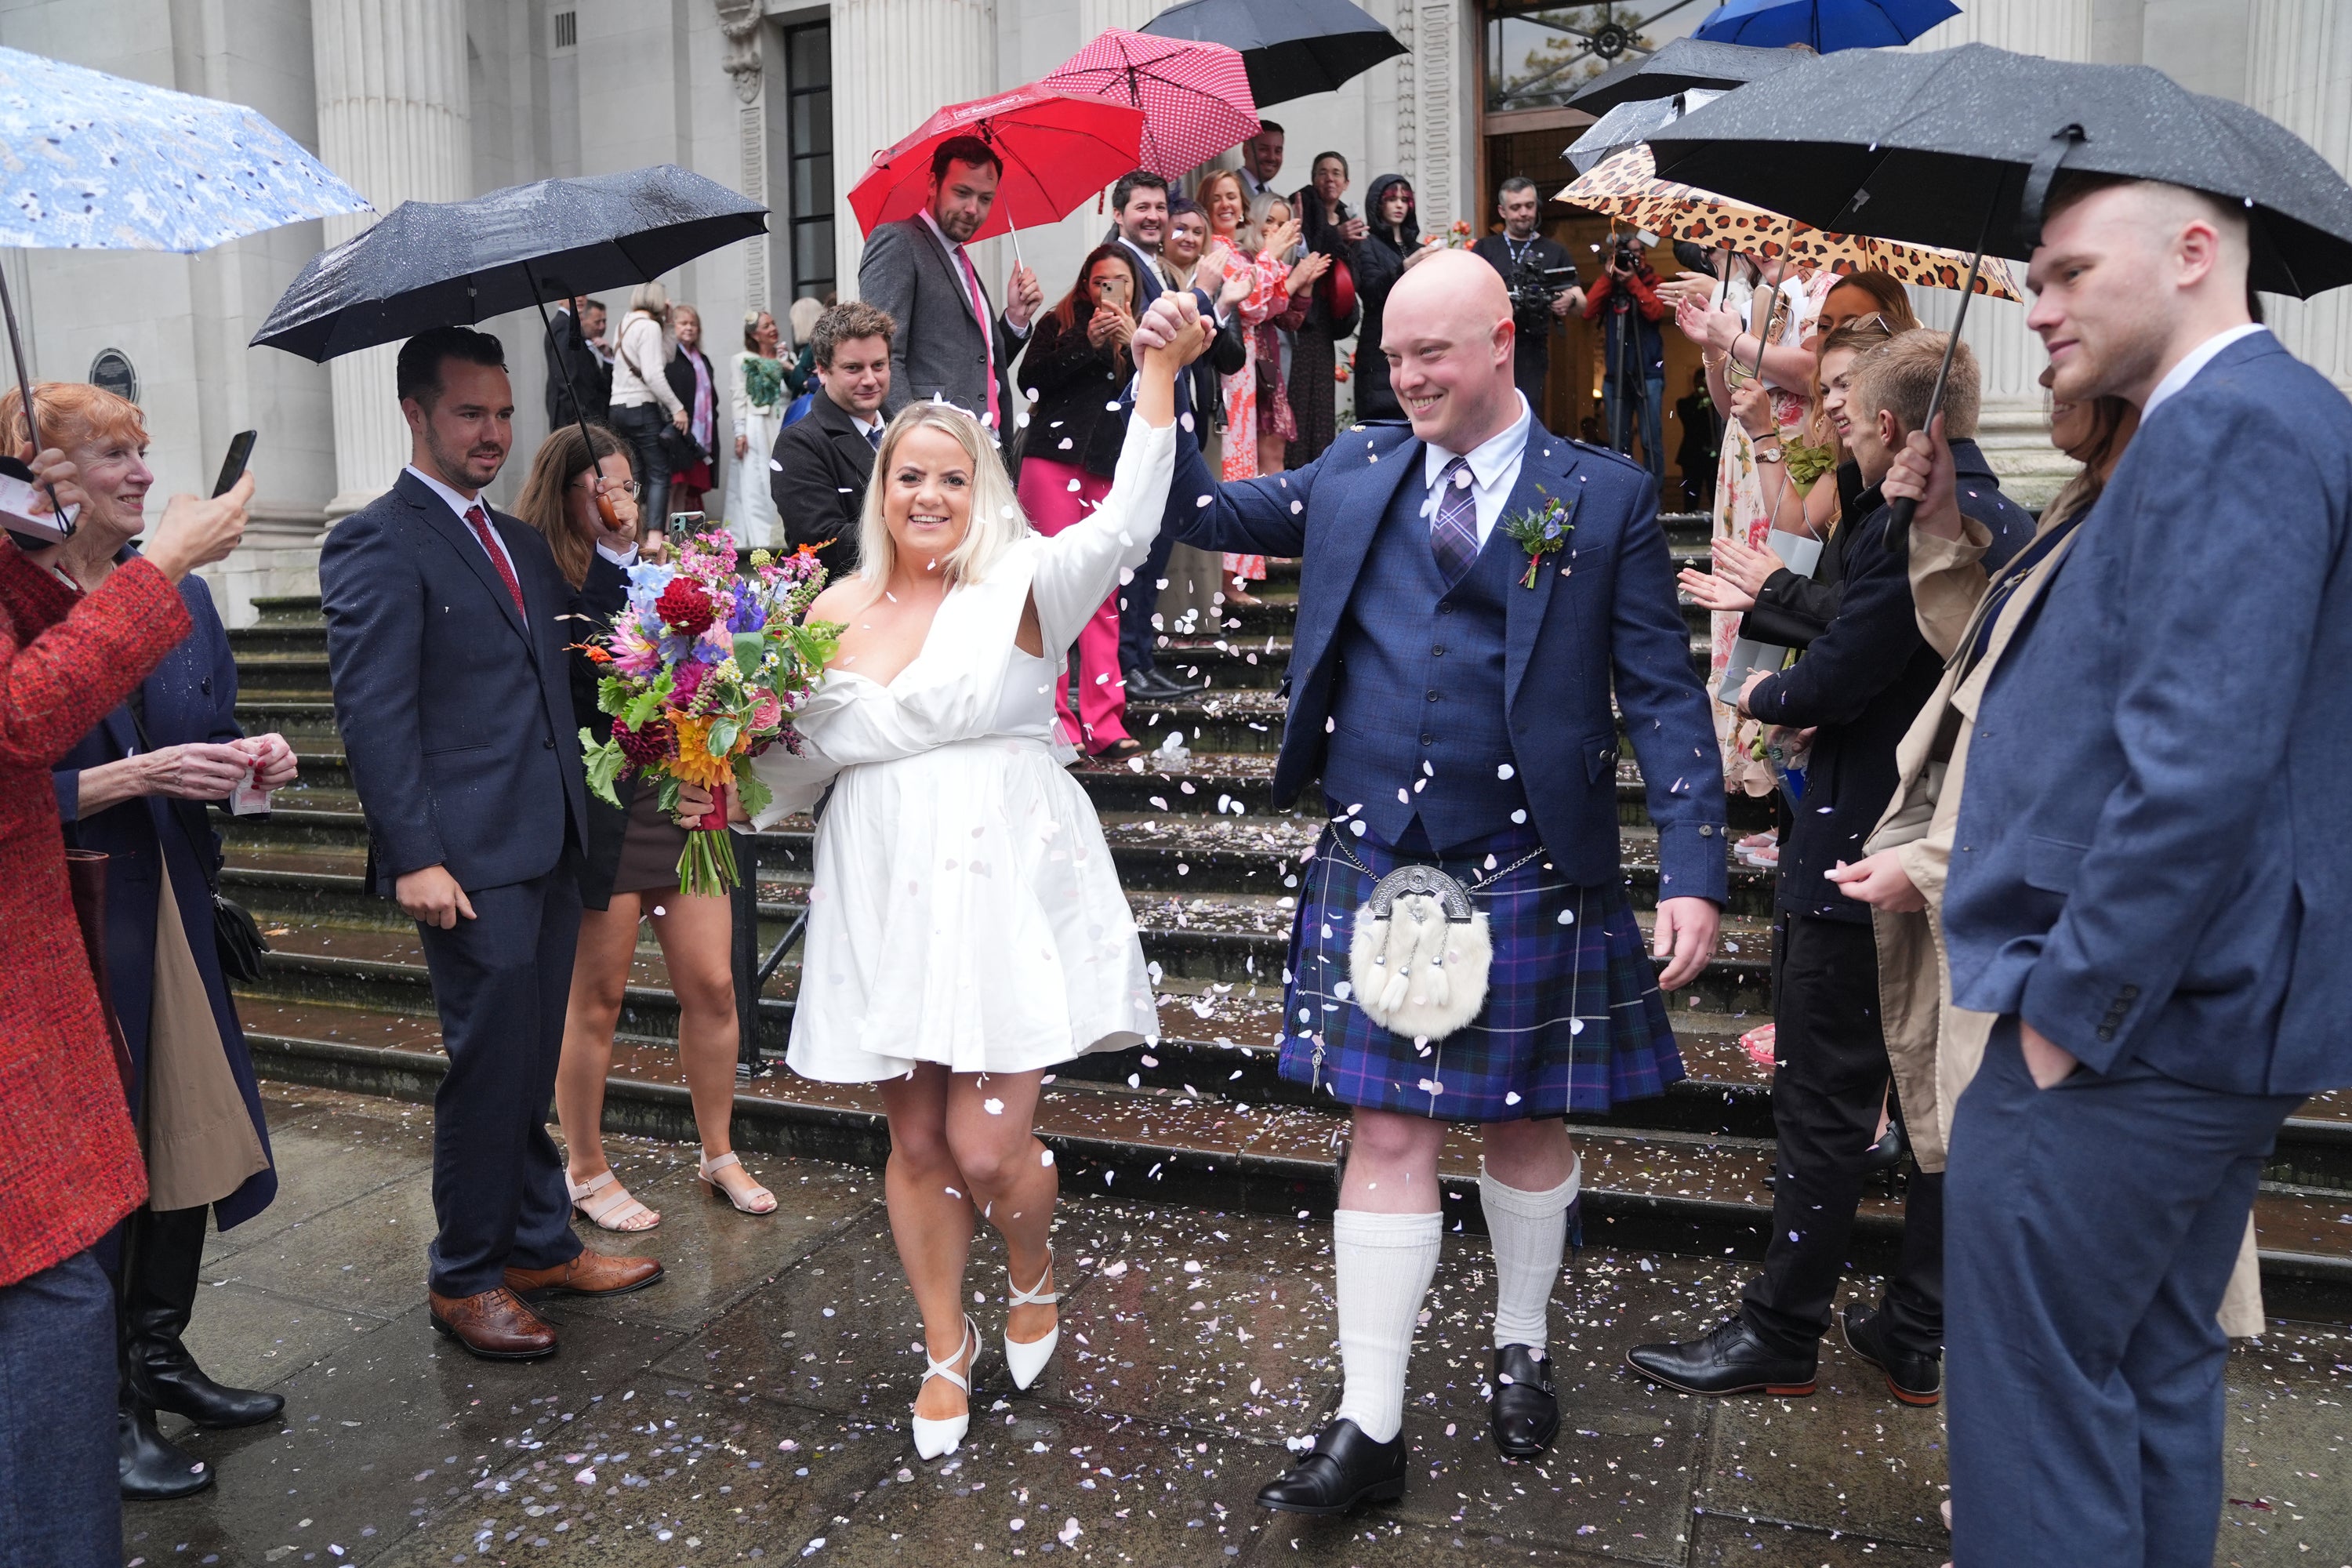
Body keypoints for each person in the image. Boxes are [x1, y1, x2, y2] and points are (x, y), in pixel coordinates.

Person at [1145, 249, 1723, 1514]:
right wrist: (1159, 386)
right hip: (1381, 851)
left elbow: (1665, 694)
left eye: (1430, 355)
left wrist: (1693, 864)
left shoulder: (1602, 495)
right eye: (1392, 357)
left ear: (1501, 341)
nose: (1403, 377)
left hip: (1529, 856)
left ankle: (1521, 1339)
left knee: (1522, 1121)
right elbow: (1199, 512)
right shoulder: (1352, 471)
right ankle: (1370, 1420)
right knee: (1389, 1125)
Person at [1882, 175, 2351, 1568]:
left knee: (2035, 1421)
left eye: (2070, 273)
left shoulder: (2237, 428)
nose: (2038, 307)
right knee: (2148, 1376)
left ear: (2196, 254)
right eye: (2035, 279)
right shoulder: (2235, 424)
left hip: (2129, 1036)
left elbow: (2196, 771)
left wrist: (2063, 1018)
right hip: (2190, 1028)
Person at [725, 291, 1213, 1461]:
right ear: (881, 493)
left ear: (980, 489)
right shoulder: (826, 612)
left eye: (950, 477)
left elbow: (1130, 526)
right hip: (883, 883)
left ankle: (1033, 1266)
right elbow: (788, 771)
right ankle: (944, 1346)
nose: (928, 496)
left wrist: (1157, 378)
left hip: (1001, 876)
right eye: (908, 478)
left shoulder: (1025, 583)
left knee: (991, 1149)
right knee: (920, 1146)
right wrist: (718, 758)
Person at [1626, 327, 2031, 1407]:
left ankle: (1784, 1330)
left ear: (1896, 426)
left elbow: (1845, 668)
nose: (1840, 430)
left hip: (1863, 851)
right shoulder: (2013, 523)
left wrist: (1761, 698)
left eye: (1850, 416)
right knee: (1936, 1101)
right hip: (1949, 851)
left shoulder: (1918, 521)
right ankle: (1917, 1328)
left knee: (1823, 1099)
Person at [319, 326, 662, 1363]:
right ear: (415, 414)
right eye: (470, 413)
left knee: (522, 1050)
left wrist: (621, 545)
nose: (492, 433)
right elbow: (372, 711)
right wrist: (415, 852)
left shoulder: (514, 541)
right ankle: (465, 1275)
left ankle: (536, 1243)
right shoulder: (375, 539)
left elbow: (590, 645)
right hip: (462, 856)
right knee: (489, 1060)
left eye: (504, 413)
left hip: (550, 834)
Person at [19, 384, 292, 1499]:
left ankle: (161, 1356)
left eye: (144, 452)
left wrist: (255, 769)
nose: (142, 474)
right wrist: (137, 774)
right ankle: (113, 1405)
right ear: (46, 478)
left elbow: (209, 736)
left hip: (178, 894)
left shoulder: (179, 598)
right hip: (84, 920)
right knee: (116, 1161)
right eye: (110, 456)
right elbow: (19, 772)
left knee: (193, 1137)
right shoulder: (28, 605)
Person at [511, 422, 775, 1232]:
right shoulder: (548, 579)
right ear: (567, 494)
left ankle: (718, 1150)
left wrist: (728, 700)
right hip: (605, 806)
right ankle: (586, 1168)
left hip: (685, 798)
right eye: (602, 485)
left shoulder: (664, 572)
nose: (620, 496)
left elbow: (723, 678)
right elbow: (579, 693)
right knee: (598, 996)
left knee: (715, 984)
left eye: (627, 481)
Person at [1016, 245, 1152, 760]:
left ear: (1133, 287)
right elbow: (1032, 380)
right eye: (1100, 281)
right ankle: (1055, 721)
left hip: (1105, 467)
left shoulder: (1143, 329)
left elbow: (1152, 397)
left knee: (1102, 590)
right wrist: (1084, 342)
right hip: (1052, 461)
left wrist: (1130, 349)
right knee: (1048, 586)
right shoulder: (1060, 320)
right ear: (1085, 284)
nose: (1108, 291)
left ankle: (1105, 721)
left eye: (1119, 281)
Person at [858, 133, 1042, 441]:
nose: (973, 209)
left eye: (985, 199)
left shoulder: (960, 259)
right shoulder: (899, 242)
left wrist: (1015, 319)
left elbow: (976, 366)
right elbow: (882, 357)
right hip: (935, 448)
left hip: (985, 447)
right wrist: (914, 438)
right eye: (962, 193)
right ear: (933, 185)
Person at [1195, 180, 1325, 607]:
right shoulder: (1214, 251)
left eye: (1233, 197)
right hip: (1226, 371)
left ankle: (1237, 575)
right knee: (1231, 467)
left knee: (1245, 466)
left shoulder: (1236, 252)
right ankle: (1227, 580)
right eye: (1218, 199)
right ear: (1206, 207)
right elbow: (1249, 306)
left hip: (1247, 370)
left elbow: (1269, 307)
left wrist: (1290, 277)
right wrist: (1275, 259)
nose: (1227, 204)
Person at [1154, 197, 1255, 642]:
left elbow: (1231, 358)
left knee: (1205, 514)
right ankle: (1172, 623)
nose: (1189, 238)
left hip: (1205, 415)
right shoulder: (1150, 277)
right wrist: (1203, 296)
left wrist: (1219, 304)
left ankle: (1204, 621)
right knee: (1169, 527)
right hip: (1165, 416)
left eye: (1197, 231)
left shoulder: (1209, 285)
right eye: (1180, 229)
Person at [771, 300, 893, 582]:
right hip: (841, 610)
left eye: (879, 365)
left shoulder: (909, 428)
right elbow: (822, 546)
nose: (870, 379)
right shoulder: (799, 444)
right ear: (822, 371)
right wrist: (914, 524)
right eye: (853, 368)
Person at [1471, 177, 1581, 416]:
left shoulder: (1555, 251)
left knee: (1527, 412)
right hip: (1489, 345)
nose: (1524, 213)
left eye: (1529, 206)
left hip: (1532, 346)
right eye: (1516, 207)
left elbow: (1581, 301)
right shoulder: (1485, 248)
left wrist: (1568, 300)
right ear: (1502, 211)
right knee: (1489, 411)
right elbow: (1466, 294)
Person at [1287, 151, 1366, 467]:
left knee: (1322, 404)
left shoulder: (1350, 218)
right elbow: (1305, 252)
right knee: (1297, 402)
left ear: (1346, 183)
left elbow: (1355, 275)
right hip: (1300, 318)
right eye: (1322, 172)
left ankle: (1317, 472)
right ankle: (1291, 473)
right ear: (1312, 178)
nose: (1329, 179)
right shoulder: (1302, 205)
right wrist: (1337, 237)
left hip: (1327, 326)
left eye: (1336, 173)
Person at [1581, 235, 1668, 478]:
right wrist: (1607, 276)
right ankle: (1623, 498)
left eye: (1638, 252)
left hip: (1648, 373)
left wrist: (1633, 282)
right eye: (1626, 254)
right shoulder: (1611, 284)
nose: (1634, 258)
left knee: (1652, 441)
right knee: (1619, 443)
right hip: (1614, 376)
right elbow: (1587, 310)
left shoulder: (1654, 282)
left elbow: (1655, 311)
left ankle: (1655, 502)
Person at [609, 281, 690, 536]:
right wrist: (677, 408)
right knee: (658, 473)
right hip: (642, 408)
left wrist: (667, 324)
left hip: (617, 408)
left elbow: (667, 356)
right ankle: (655, 539)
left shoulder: (624, 324)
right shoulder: (648, 327)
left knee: (634, 474)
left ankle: (630, 532)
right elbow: (655, 373)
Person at [1352, 174, 1428, 423]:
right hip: (1380, 347)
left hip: (1416, 344)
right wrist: (1405, 267)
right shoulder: (1367, 245)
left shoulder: (1418, 248)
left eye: (1404, 199)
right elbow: (1372, 293)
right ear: (1378, 204)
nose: (1399, 205)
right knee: (1383, 422)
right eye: (1391, 199)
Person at [725, 308, 787, 550]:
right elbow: (738, 396)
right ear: (754, 335)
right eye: (766, 326)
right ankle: (761, 537)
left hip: (783, 423)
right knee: (759, 480)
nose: (773, 329)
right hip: (758, 426)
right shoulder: (741, 360)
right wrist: (740, 432)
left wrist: (787, 364)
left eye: (773, 323)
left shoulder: (784, 357)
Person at [663, 303, 717, 516]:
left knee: (685, 488)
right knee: (672, 485)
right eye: (683, 323)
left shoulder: (702, 359)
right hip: (677, 431)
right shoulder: (670, 357)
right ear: (673, 327)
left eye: (693, 324)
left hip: (698, 435)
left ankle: (678, 541)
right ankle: (665, 533)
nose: (689, 328)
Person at [544, 293, 612, 430]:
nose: (580, 298)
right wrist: (578, 416)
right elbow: (566, 375)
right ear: (559, 299)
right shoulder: (564, 325)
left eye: (584, 294)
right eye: (572, 295)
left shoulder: (569, 324)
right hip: (573, 418)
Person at [1673, 365, 1720, 513]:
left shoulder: (1718, 403)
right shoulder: (1686, 403)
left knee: (1716, 495)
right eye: (1700, 384)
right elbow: (1688, 420)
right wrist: (1701, 404)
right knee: (1691, 497)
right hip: (1693, 457)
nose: (1703, 388)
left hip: (1714, 458)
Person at [782, 296, 824, 400]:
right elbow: (795, 384)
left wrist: (790, 367)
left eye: (794, 320)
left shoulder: (814, 347)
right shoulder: (810, 346)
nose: (792, 324)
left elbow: (809, 381)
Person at [1237, 121, 1284, 202]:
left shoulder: (1276, 202)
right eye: (1264, 149)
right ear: (1246, 151)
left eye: (1278, 151)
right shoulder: (1226, 189)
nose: (1272, 158)